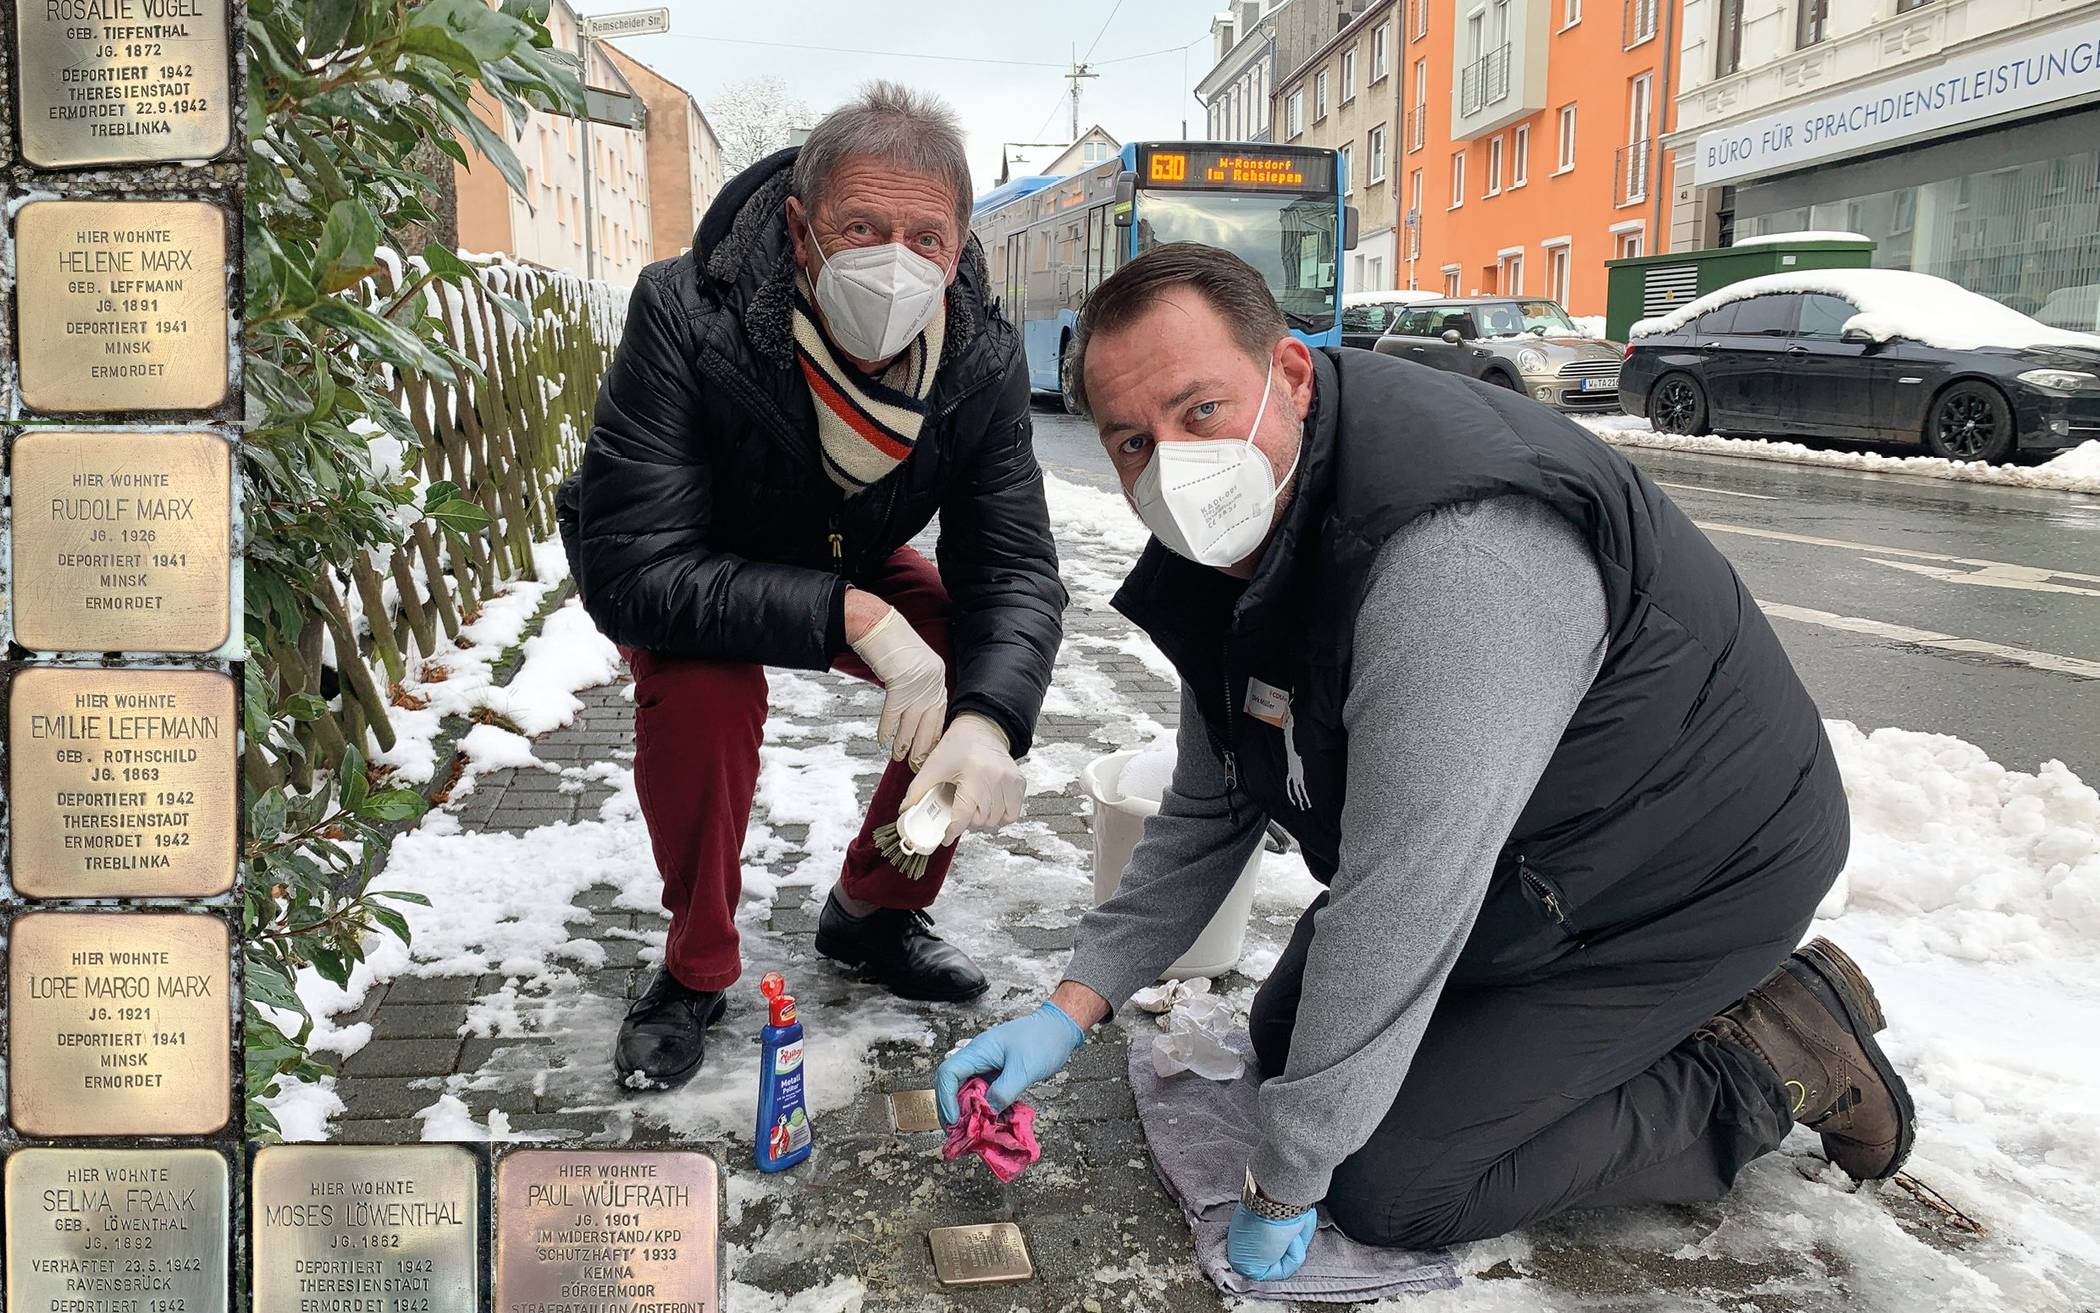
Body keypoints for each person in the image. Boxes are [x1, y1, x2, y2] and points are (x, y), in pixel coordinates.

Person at [935, 244, 1913, 1281]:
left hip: (1692, 868)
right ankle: (1560, 1044)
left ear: (1293, 375)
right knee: (1284, 1039)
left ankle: (1773, 1051)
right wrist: (1070, 1004)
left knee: (1392, 1179)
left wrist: (1287, 1179)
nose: (1171, 464)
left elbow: (1405, 896)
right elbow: (1210, 803)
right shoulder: (1235, 542)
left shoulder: (1455, 559)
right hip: (1534, 854)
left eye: (1202, 411)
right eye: (1133, 440)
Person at [557, 83, 1065, 1090]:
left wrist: (992, 715)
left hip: (845, 553)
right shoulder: (685, 312)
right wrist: (857, 615)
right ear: (799, 230)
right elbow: (633, 567)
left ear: (959, 249)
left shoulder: (981, 356)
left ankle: (877, 904)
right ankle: (695, 964)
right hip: (696, 561)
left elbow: (1009, 564)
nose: (895, 258)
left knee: (979, 666)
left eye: (926, 236)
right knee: (705, 691)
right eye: (860, 227)